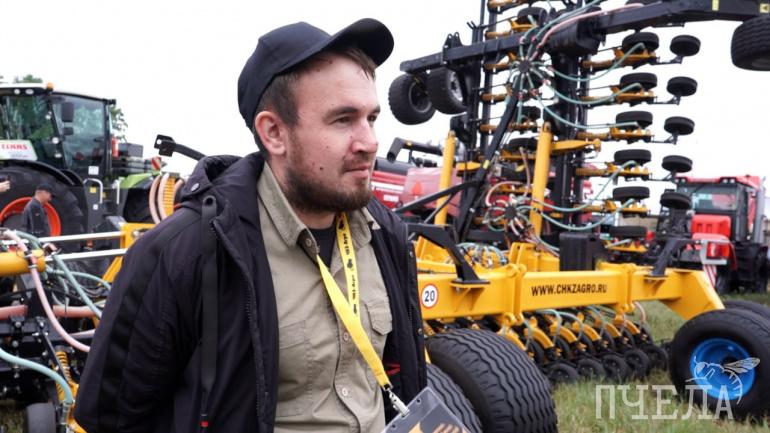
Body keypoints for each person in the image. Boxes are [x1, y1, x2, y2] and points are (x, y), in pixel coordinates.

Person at [75, 18, 426, 433]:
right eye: (343, 120)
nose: (369, 142)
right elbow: (110, 418)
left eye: (371, 118)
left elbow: (401, 379)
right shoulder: (186, 253)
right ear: (274, 133)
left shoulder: (386, 236)